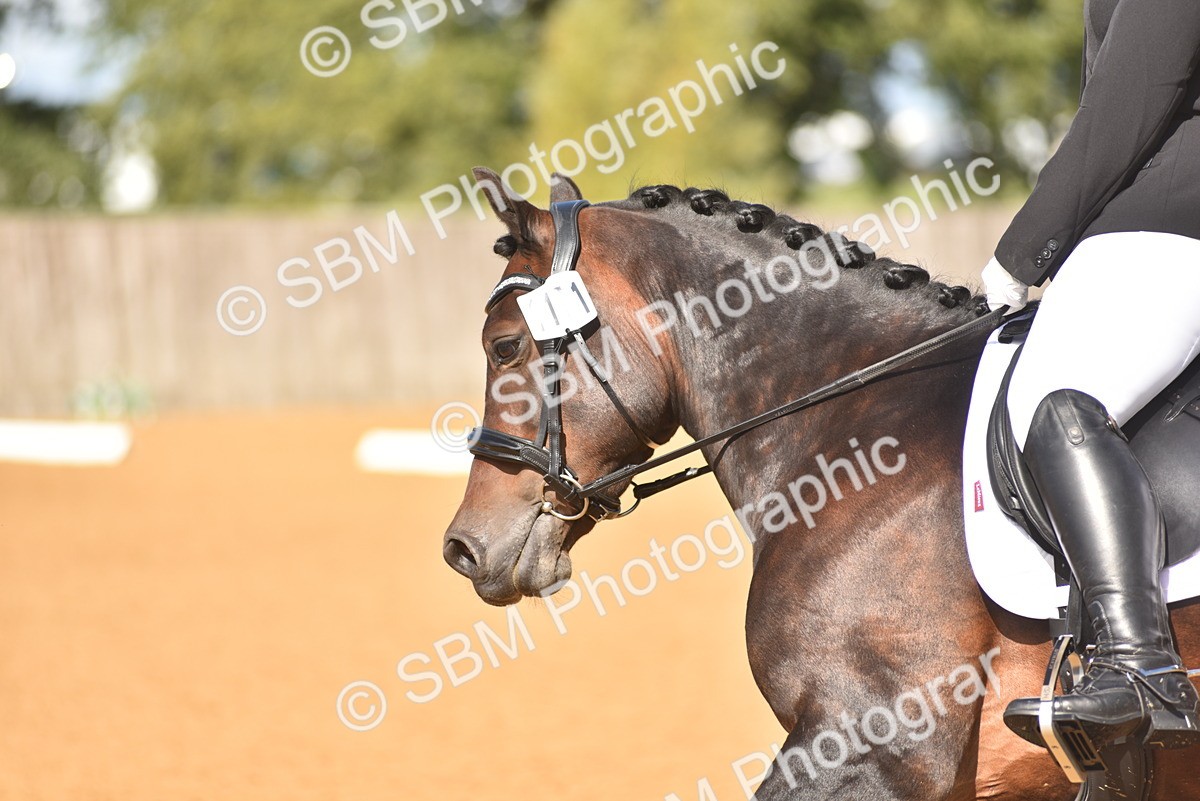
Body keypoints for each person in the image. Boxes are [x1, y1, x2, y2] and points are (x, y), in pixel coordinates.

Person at [982, 0, 1200, 754]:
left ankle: (1142, 669)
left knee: (1056, 404)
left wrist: (1026, 247)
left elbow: (1130, 101)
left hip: (1173, 218)